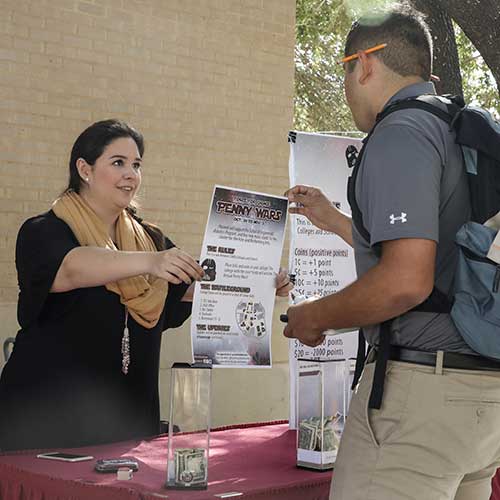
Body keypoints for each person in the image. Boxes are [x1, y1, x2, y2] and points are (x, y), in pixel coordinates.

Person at [284, 5, 500, 500]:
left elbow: (407, 281)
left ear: (364, 64)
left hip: (420, 394)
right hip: (483, 399)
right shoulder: (459, 127)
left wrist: (314, 315)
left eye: (344, 72)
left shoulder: (400, 131)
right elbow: (447, 255)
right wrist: (340, 222)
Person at [0, 119, 292, 451]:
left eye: (136, 165)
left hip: (126, 423)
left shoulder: (150, 239)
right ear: (84, 169)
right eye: (118, 163)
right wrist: (151, 262)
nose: (131, 174)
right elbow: (69, 268)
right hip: (43, 421)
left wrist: (262, 283)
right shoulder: (43, 231)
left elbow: (191, 287)